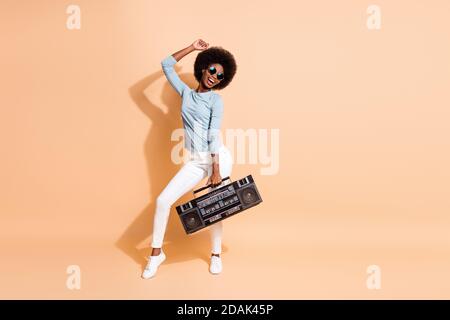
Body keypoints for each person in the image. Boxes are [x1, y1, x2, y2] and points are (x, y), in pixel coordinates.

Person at [142, 39, 237, 279]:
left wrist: (216, 169)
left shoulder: (216, 100)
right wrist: (192, 48)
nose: (214, 76)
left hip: (217, 158)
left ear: (222, 80)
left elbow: (213, 133)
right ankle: (156, 255)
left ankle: (216, 255)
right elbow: (166, 65)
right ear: (203, 68)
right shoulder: (185, 92)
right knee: (163, 201)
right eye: (212, 70)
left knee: (217, 206)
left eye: (220, 75)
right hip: (195, 160)